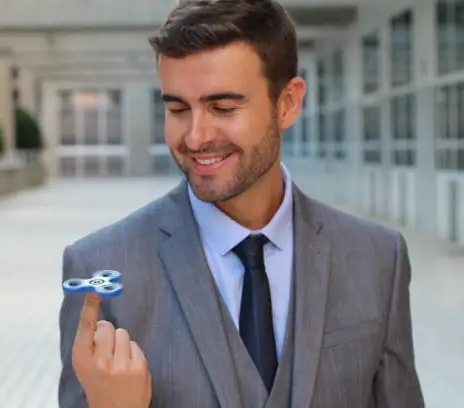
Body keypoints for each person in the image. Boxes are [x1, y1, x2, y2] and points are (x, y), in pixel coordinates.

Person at [58, 0, 426, 407]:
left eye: (223, 107)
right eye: (178, 108)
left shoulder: (378, 259)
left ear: (287, 102)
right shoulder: (103, 270)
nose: (195, 137)